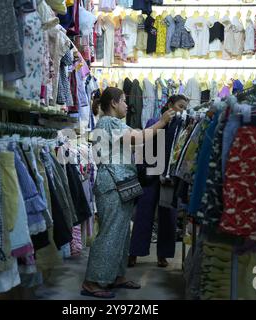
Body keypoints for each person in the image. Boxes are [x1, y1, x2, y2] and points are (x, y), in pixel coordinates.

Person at [81, 87, 175, 299]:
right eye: (123, 101)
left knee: (121, 233)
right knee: (110, 233)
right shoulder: (109, 123)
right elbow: (138, 137)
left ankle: (116, 275)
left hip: (118, 183)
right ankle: (91, 281)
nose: (126, 105)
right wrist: (161, 122)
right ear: (113, 103)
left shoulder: (112, 123)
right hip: (112, 185)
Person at [128, 94, 190, 268]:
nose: (182, 110)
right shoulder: (153, 122)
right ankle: (134, 252)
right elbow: (143, 146)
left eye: (185, 107)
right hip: (150, 174)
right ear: (170, 104)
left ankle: (163, 255)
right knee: (143, 214)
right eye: (180, 106)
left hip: (170, 176)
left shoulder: (183, 126)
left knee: (168, 216)